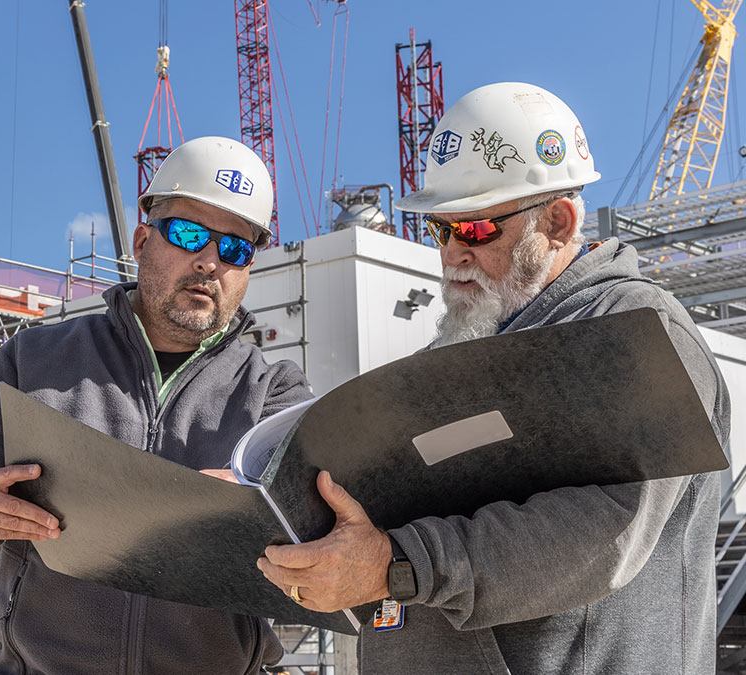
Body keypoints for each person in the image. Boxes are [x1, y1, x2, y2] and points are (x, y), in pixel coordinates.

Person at [256, 82, 731, 673]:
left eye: (476, 231)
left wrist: (398, 565)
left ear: (557, 223)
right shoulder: (461, 345)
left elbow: (606, 529)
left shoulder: (633, 331)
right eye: (441, 230)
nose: (453, 254)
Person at [0, 136, 314, 674]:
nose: (209, 262)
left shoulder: (274, 396)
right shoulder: (36, 362)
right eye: (190, 233)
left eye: (234, 249)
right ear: (144, 239)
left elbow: (325, 531)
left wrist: (256, 515)